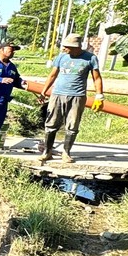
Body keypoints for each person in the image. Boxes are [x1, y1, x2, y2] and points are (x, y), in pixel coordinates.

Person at [38, 34, 105, 163]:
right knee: (51, 123)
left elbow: (97, 78)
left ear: (76, 47)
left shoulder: (90, 58)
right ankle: (47, 151)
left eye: (68, 47)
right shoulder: (61, 57)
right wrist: (43, 91)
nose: (65, 49)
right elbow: (52, 75)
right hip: (57, 94)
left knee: (72, 125)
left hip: (77, 96)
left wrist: (99, 96)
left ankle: (66, 152)